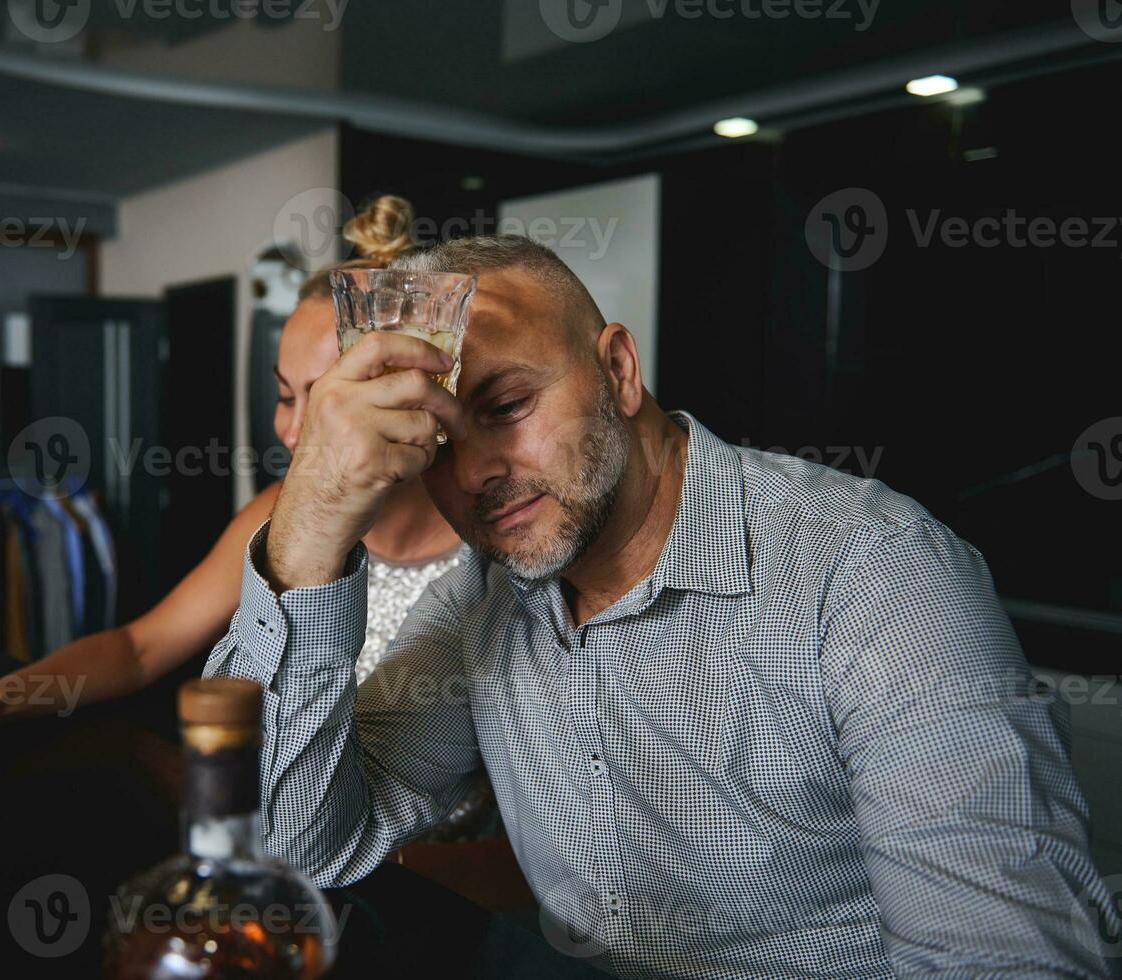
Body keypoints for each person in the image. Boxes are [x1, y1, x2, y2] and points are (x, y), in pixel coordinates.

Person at [201, 233, 1121, 977]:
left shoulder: (872, 573)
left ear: (618, 369)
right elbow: (294, 853)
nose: (476, 470)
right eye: (439, 440)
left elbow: (1004, 961)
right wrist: (311, 527)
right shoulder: (487, 595)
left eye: (509, 404)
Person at [0, 199, 475, 830]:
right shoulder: (276, 516)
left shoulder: (494, 542)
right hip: (286, 836)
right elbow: (139, 647)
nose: (295, 430)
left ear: (413, 391)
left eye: (327, 398)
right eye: (283, 394)